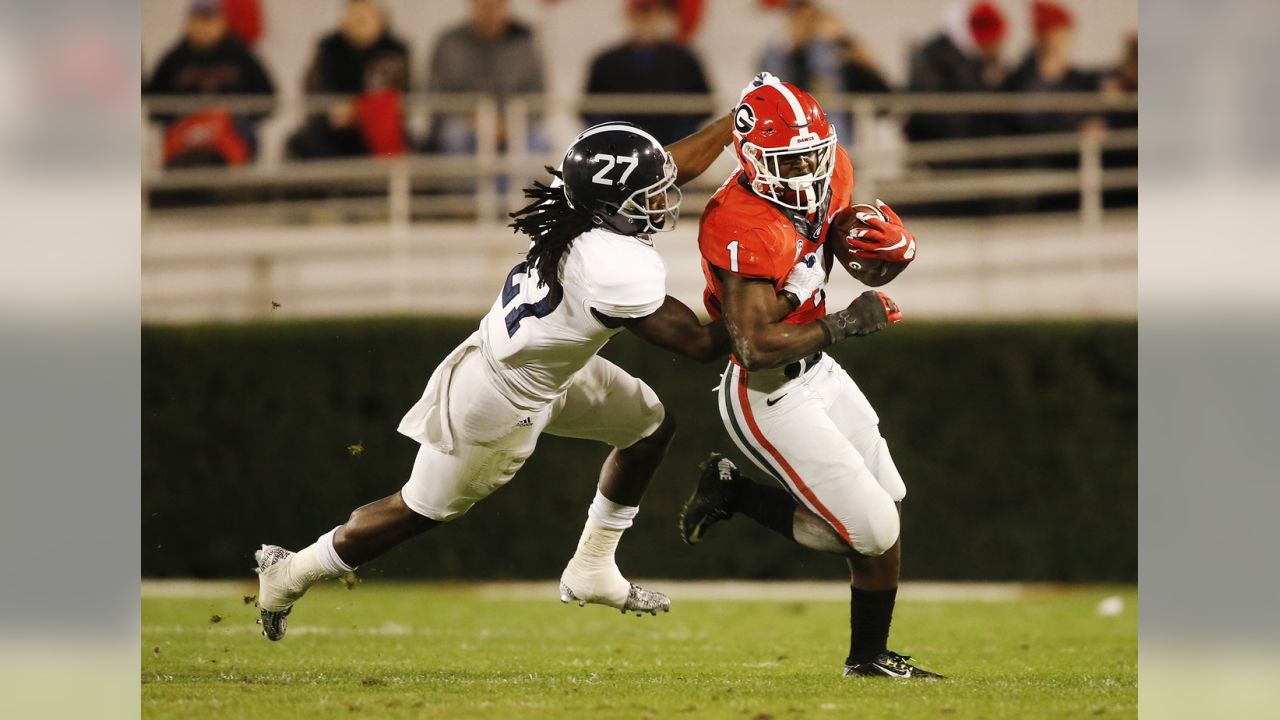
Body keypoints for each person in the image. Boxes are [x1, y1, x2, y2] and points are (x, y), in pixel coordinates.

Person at [253, 116, 825, 640]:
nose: (662, 199)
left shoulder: (573, 201)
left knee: (650, 427)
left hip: (550, 369)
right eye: (647, 197)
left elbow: (671, 164)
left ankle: (593, 566)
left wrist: (738, 121)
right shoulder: (613, 266)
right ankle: (290, 575)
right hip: (500, 398)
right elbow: (704, 345)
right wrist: (790, 287)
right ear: (612, 207)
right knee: (418, 510)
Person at [678, 72, 941, 679]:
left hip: (816, 369)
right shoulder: (739, 218)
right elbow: (751, 347)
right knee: (871, 527)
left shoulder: (834, 170)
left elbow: (843, 243)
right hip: (767, 393)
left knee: (885, 511)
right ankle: (865, 658)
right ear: (752, 157)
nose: (808, 174)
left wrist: (884, 250)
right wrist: (848, 322)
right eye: (790, 162)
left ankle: (868, 657)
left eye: (813, 157)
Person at [144, 0, 275, 167]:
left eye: (210, 20)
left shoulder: (241, 56)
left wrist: (232, 113)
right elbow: (154, 107)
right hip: (184, 138)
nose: (204, 27)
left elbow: (268, 99)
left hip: (231, 136)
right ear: (189, 23)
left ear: (223, 22)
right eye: (199, 20)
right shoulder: (173, 59)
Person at [286, 0, 410, 159]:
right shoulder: (329, 47)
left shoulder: (395, 49)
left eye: (363, 17)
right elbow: (314, 86)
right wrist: (333, 108)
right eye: (353, 18)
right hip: (333, 126)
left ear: (380, 18)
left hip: (378, 124)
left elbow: (397, 90)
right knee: (303, 143)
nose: (358, 23)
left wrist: (357, 111)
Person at [583, 0, 713, 145]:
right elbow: (589, 108)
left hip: (672, 145)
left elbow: (705, 104)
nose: (648, 20)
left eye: (654, 13)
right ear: (630, 16)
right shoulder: (606, 61)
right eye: (643, 13)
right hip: (620, 147)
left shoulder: (685, 60)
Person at [758, 0, 891, 140]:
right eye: (800, 19)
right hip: (795, 138)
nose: (807, 26)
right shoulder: (778, 54)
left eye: (811, 20)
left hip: (836, 135)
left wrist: (845, 40)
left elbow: (880, 86)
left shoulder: (832, 52)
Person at [424, 0, 544, 154]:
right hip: (464, 123)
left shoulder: (523, 42)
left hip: (513, 124)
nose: (490, 13)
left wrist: (508, 124)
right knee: (455, 135)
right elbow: (437, 95)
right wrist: (472, 119)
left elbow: (537, 95)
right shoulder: (450, 42)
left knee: (540, 142)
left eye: (496, 6)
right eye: (484, 6)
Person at [902, 1, 1007, 147]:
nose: (999, 49)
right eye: (997, 42)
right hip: (944, 148)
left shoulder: (961, 57)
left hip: (948, 146)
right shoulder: (947, 59)